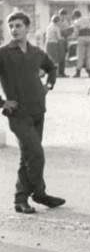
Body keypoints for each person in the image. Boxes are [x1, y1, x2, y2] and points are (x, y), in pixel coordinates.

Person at [0, 11, 64, 214]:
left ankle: (21, 200)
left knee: (27, 156)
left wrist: (48, 86)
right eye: (11, 26)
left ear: (28, 28)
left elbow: (52, 68)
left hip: (38, 111)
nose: (14, 30)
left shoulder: (37, 52)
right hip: (18, 114)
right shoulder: (3, 53)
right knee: (36, 154)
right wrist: (2, 103)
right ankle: (39, 193)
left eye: (18, 25)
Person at [71, 10, 90, 78]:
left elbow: (76, 32)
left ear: (75, 16)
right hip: (89, 38)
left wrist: (73, 37)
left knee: (80, 56)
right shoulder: (87, 20)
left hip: (81, 38)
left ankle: (78, 72)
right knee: (89, 56)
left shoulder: (76, 21)